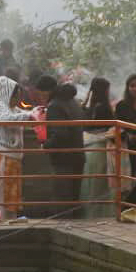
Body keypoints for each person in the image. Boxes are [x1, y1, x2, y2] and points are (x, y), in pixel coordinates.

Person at [0, 75, 36, 221]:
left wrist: (34, 113)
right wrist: (29, 117)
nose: (18, 101)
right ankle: (0, 220)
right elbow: (8, 120)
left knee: (10, 194)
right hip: (1, 156)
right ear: (7, 94)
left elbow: (21, 114)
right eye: (16, 97)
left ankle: (9, 219)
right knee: (1, 192)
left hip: (11, 157)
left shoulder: (11, 107)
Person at [44, 83, 86, 213]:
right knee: (73, 194)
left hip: (63, 158)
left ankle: (62, 220)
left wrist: (46, 144)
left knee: (61, 195)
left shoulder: (55, 106)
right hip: (78, 155)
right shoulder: (74, 103)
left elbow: (60, 134)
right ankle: (73, 221)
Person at [81, 77, 119, 218]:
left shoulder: (89, 106)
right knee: (100, 184)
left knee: (92, 183)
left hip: (89, 148)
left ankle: (90, 213)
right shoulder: (103, 107)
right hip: (100, 148)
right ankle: (101, 214)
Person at [115, 73, 136, 206]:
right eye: (132, 86)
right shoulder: (122, 105)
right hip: (129, 147)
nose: (135, 89)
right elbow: (116, 127)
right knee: (129, 176)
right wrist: (131, 136)